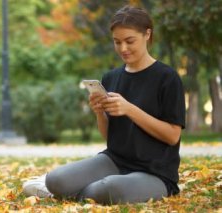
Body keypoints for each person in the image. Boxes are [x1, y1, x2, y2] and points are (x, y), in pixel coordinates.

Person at [22, 5, 186, 205]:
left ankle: (75, 192)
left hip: (155, 172)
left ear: (147, 34)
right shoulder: (111, 77)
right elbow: (110, 138)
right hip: (114, 161)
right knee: (55, 179)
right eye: (117, 42)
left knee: (108, 189)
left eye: (129, 41)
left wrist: (129, 109)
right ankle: (65, 189)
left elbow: (172, 135)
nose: (123, 48)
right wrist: (100, 113)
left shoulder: (167, 78)